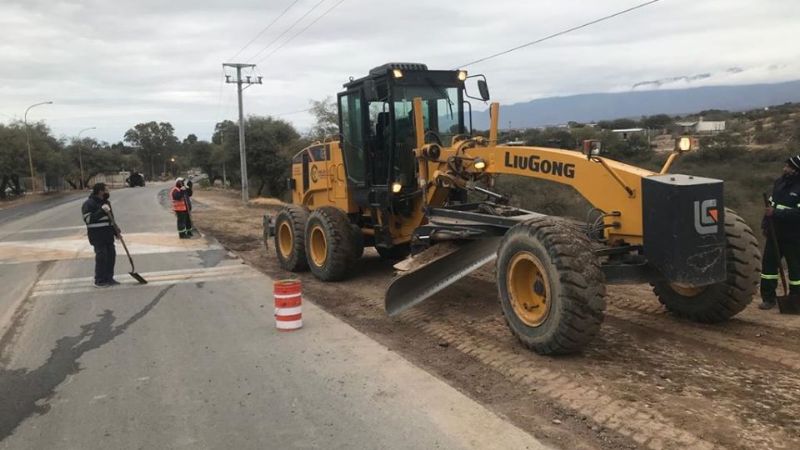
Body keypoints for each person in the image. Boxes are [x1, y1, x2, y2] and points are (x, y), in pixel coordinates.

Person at [759, 155, 800, 309]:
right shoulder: (779, 183)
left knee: (795, 269)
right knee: (768, 267)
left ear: (796, 170)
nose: (785, 169)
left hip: (794, 236)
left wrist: (775, 213)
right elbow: (770, 206)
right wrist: (765, 224)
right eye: (786, 166)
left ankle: (796, 299)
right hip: (774, 233)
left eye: (788, 167)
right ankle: (768, 298)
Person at [81, 183, 118, 287]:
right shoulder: (88, 204)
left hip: (108, 235)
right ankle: (99, 280)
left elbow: (111, 219)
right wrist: (101, 211)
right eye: (106, 190)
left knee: (111, 255)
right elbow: (88, 219)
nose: (108, 192)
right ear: (100, 191)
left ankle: (109, 278)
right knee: (102, 256)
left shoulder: (106, 203)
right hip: (97, 236)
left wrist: (116, 231)